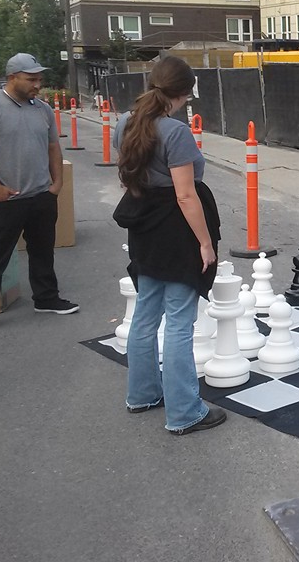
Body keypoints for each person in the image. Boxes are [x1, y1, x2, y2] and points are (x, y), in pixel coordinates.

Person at [112, 56, 225, 436]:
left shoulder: (124, 124)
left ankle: (142, 394)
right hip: (176, 231)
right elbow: (185, 195)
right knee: (179, 322)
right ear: (185, 92)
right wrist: (205, 243)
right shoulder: (175, 132)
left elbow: (127, 180)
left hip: (143, 228)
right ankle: (184, 413)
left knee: (145, 314)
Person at [0, 53, 79, 339]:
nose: (38, 84)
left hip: (41, 196)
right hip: (6, 200)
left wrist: (57, 184)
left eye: (39, 79)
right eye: (31, 79)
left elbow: (53, 147)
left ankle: (46, 298)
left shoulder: (42, 109)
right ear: (12, 78)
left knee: (42, 252)